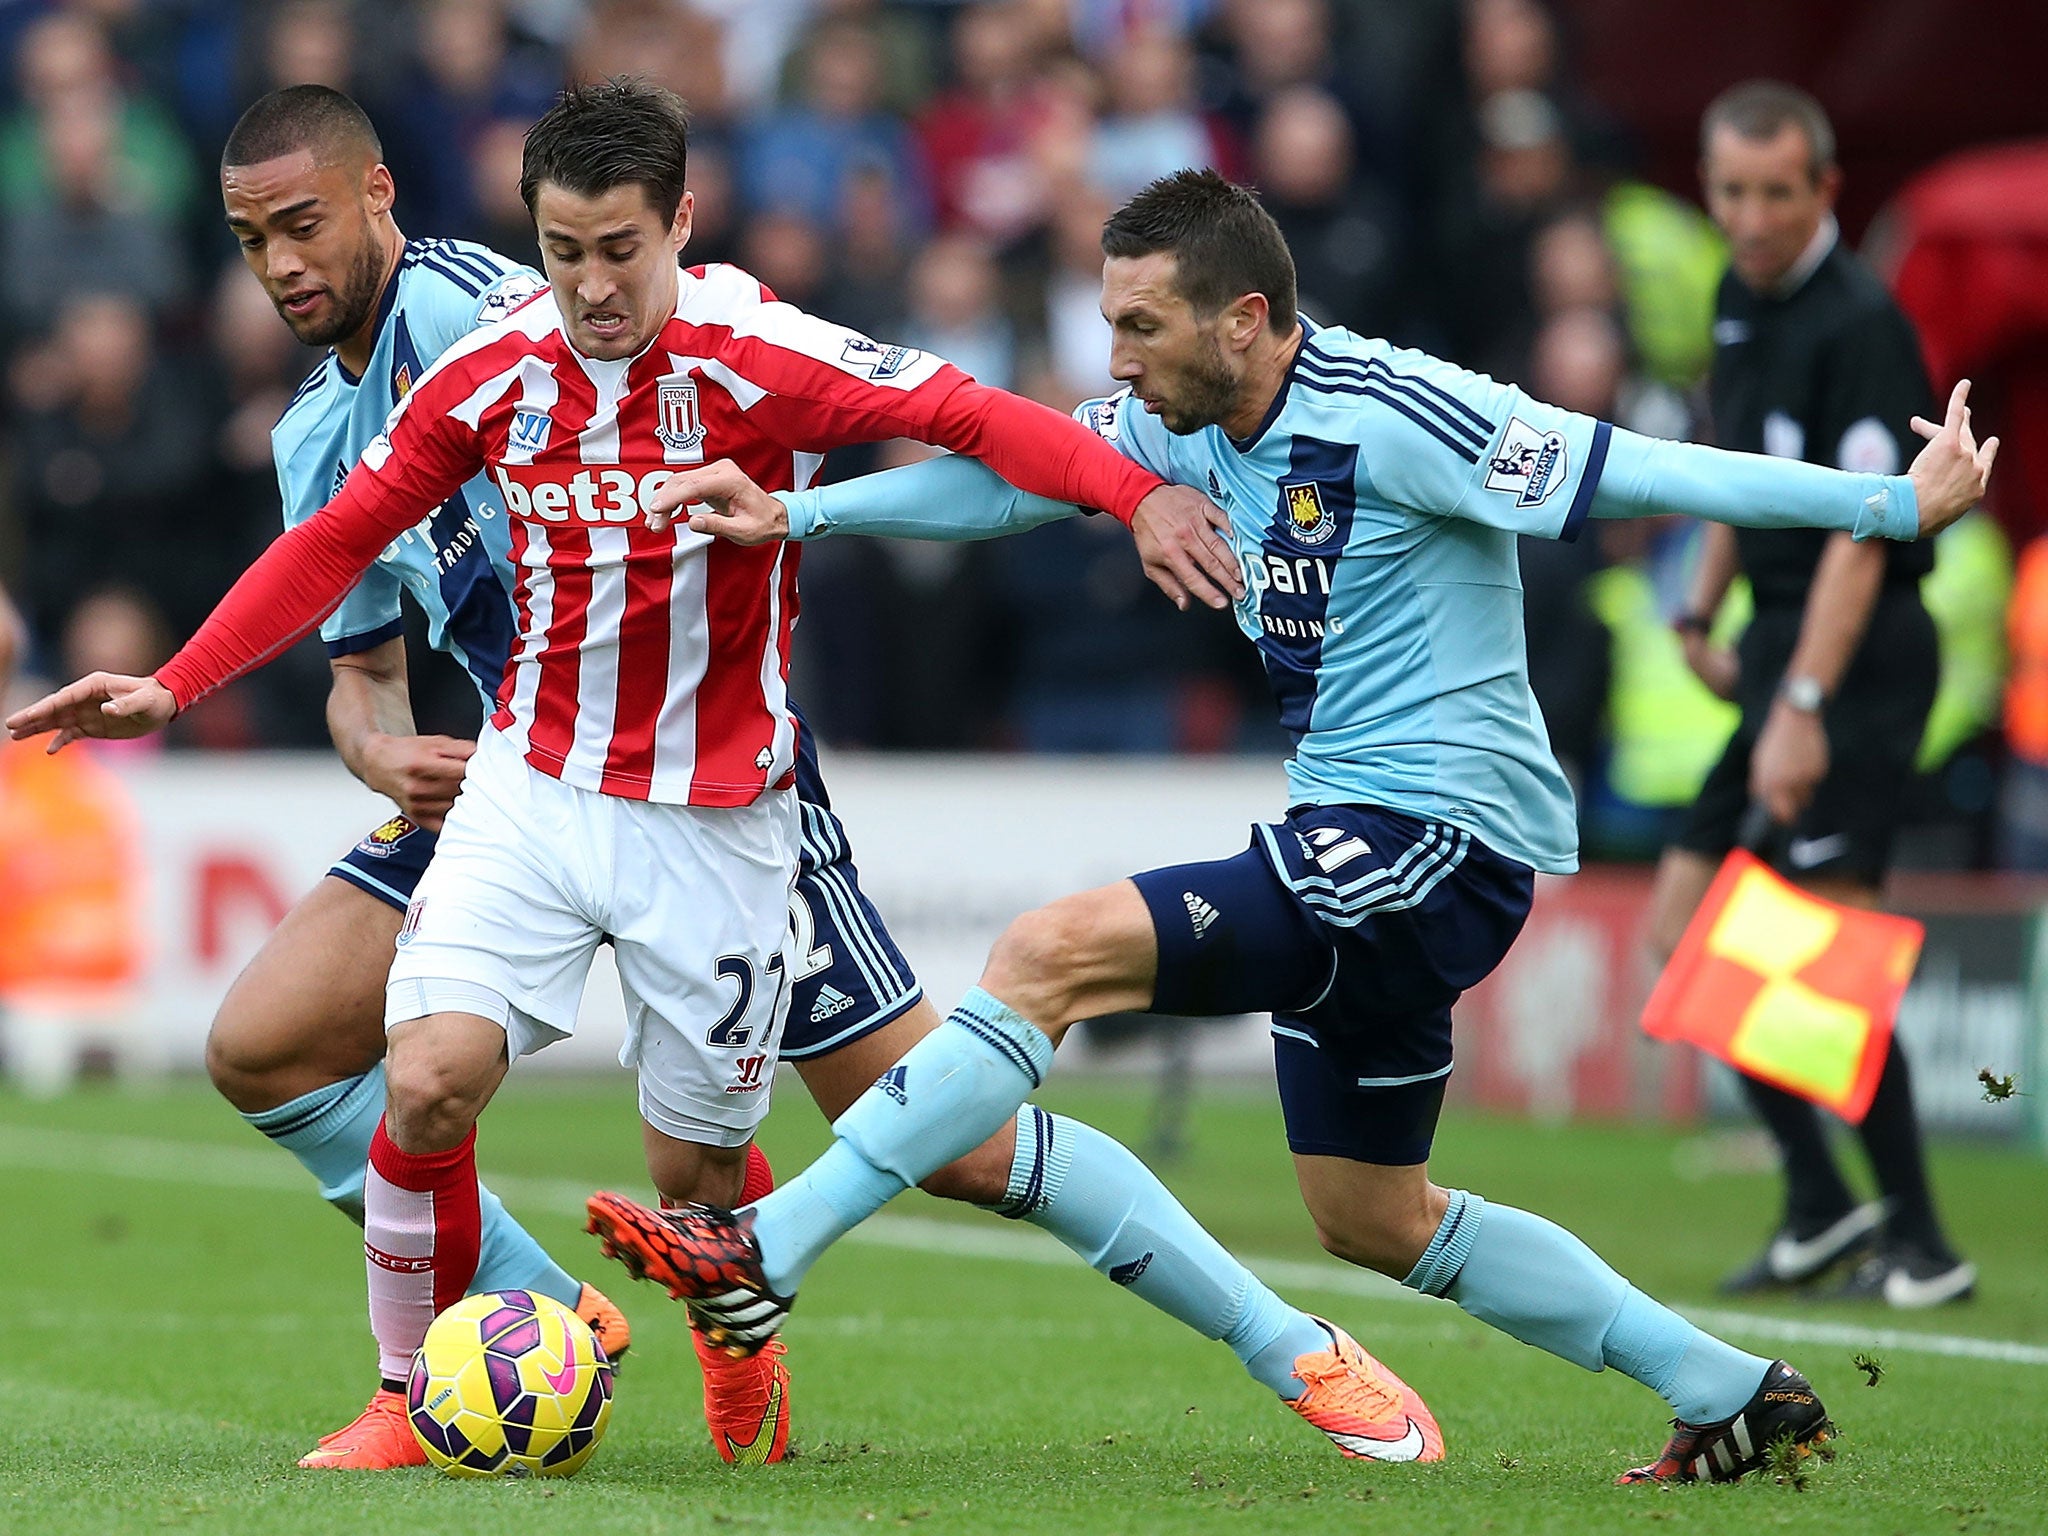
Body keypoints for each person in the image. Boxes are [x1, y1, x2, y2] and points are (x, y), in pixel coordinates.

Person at [10, 87, 1425, 1474]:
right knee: (308, 1053)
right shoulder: (335, 425)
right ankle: (491, 1338)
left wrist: (1137, 491)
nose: (281, 266)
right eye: (252, 241)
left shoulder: (499, 310)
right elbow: (358, 654)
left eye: (302, 225)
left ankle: (1278, 1340)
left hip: (724, 794)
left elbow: (959, 415)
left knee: (939, 1142)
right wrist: (301, 720)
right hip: (527, 773)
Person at [581, 169, 1994, 1486]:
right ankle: (1728, 1387)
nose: (1118, 360)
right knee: (1371, 1215)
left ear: (1243, 318)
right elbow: (1025, 478)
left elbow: (1628, 469)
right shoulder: (1171, 422)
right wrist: (804, 514)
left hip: (1439, 832)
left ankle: (766, 1247)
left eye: (1140, 326)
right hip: (1360, 840)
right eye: (1108, 324)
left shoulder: (1398, 412)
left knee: (1049, 952)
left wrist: (1884, 503)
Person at [1643, 81, 1975, 1308]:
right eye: (1729, 191)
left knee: (1824, 950)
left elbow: (1861, 531)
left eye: (1776, 192)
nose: (1749, 216)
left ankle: (1925, 1246)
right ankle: (1820, 1203)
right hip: (1780, 641)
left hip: (1858, 652)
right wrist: (1697, 603)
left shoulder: (1862, 324)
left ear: (1824, 190)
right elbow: (1734, 475)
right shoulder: (1737, 297)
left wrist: (1800, 701)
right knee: (1680, 936)